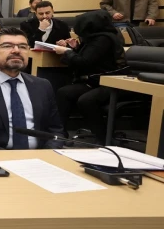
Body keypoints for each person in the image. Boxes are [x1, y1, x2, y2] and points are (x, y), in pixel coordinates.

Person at [54, 10, 128, 139]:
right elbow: (91, 59)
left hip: (111, 82)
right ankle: (59, 132)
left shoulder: (103, 39)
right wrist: (76, 48)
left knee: (86, 101)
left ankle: (103, 138)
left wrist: (67, 52)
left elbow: (84, 62)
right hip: (95, 80)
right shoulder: (94, 38)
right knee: (63, 93)